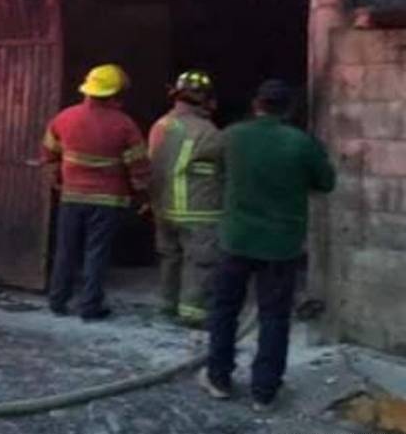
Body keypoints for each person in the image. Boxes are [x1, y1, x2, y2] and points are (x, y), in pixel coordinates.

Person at [200, 79, 336, 410]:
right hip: (281, 245)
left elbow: (208, 164)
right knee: (274, 317)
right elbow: (326, 183)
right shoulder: (301, 143)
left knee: (225, 309)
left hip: (236, 239)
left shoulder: (232, 136)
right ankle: (265, 391)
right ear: (289, 109)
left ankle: (218, 378)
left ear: (256, 104)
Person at [41, 64, 151, 321]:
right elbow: (139, 167)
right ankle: (90, 307)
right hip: (108, 201)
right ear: (115, 94)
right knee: (96, 253)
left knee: (66, 250)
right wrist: (143, 196)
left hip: (71, 197)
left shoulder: (64, 118)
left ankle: (58, 300)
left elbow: (49, 155)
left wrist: (57, 180)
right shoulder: (124, 125)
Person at [148, 70, 223, 328]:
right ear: (206, 100)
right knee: (200, 261)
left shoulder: (161, 125)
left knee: (170, 258)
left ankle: (167, 305)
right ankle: (194, 313)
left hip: (163, 206)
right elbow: (225, 168)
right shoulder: (207, 131)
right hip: (198, 209)